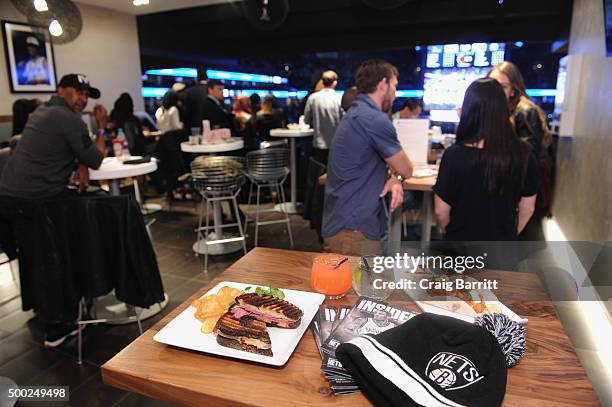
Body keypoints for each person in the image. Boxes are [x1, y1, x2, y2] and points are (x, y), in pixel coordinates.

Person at [322, 59, 413, 255]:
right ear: (383, 84)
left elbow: (370, 162)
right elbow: (407, 169)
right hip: (353, 229)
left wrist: (393, 179)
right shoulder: (374, 119)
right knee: (358, 286)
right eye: (394, 86)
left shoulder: (358, 113)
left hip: (348, 222)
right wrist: (397, 176)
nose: (396, 93)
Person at [433, 78, 540, 242]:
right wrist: (509, 234)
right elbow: (528, 207)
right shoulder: (524, 154)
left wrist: (451, 233)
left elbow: (441, 212)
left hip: (459, 253)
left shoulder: (453, 155)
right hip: (502, 255)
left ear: (468, 110)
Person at [0, 73, 106, 201]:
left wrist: (82, 163)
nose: (84, 100)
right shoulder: (69, 118)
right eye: (78, 92)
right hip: (34, 202)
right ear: (60, 91)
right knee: (101, 200)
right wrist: (101, 125)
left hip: (8, 195)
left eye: (86, 95)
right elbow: (97, 160)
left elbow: (59, 150)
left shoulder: (41, 110)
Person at [488, 61, 553, 241]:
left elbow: (528, 151)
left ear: (514, 89)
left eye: (502, 86)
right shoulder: (503, 108)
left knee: (524, 238)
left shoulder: (525, 110)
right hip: (513, 180)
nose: (496, 90)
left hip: (524, 182)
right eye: (492, 85)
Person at [304, 70, 344, 164]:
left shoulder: (312, 98)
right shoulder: (339, 98)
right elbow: (344, 120)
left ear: (322, 81)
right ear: (335, 82)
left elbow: (306, 120)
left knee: (319, 171)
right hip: (336, 143)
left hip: (319, 143)